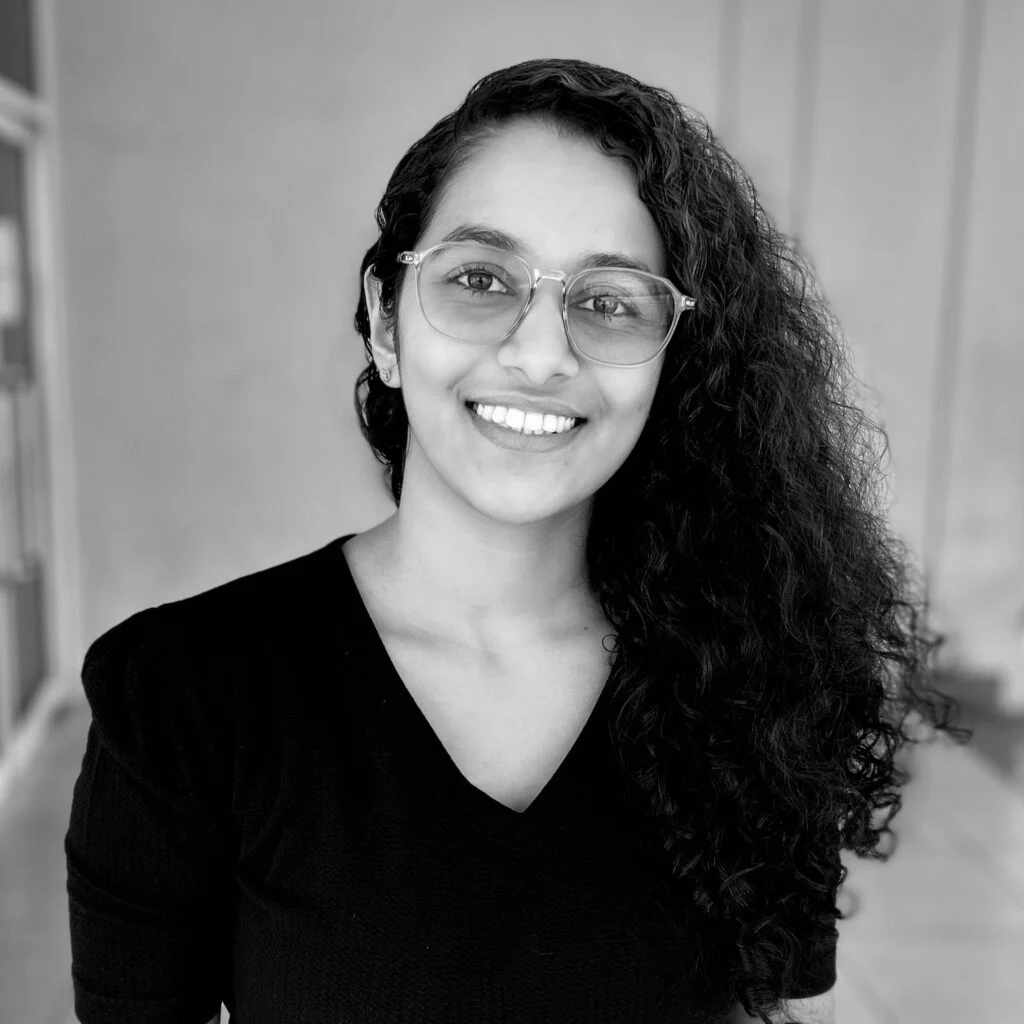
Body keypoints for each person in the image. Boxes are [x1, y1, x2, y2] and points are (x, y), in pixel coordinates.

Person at [65, 57, 971, 1024]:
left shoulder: (755, 678)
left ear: (672, 361)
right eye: (480, 279)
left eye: (610, 300)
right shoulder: (180, 693)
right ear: (386, 323)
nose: (541, 355)